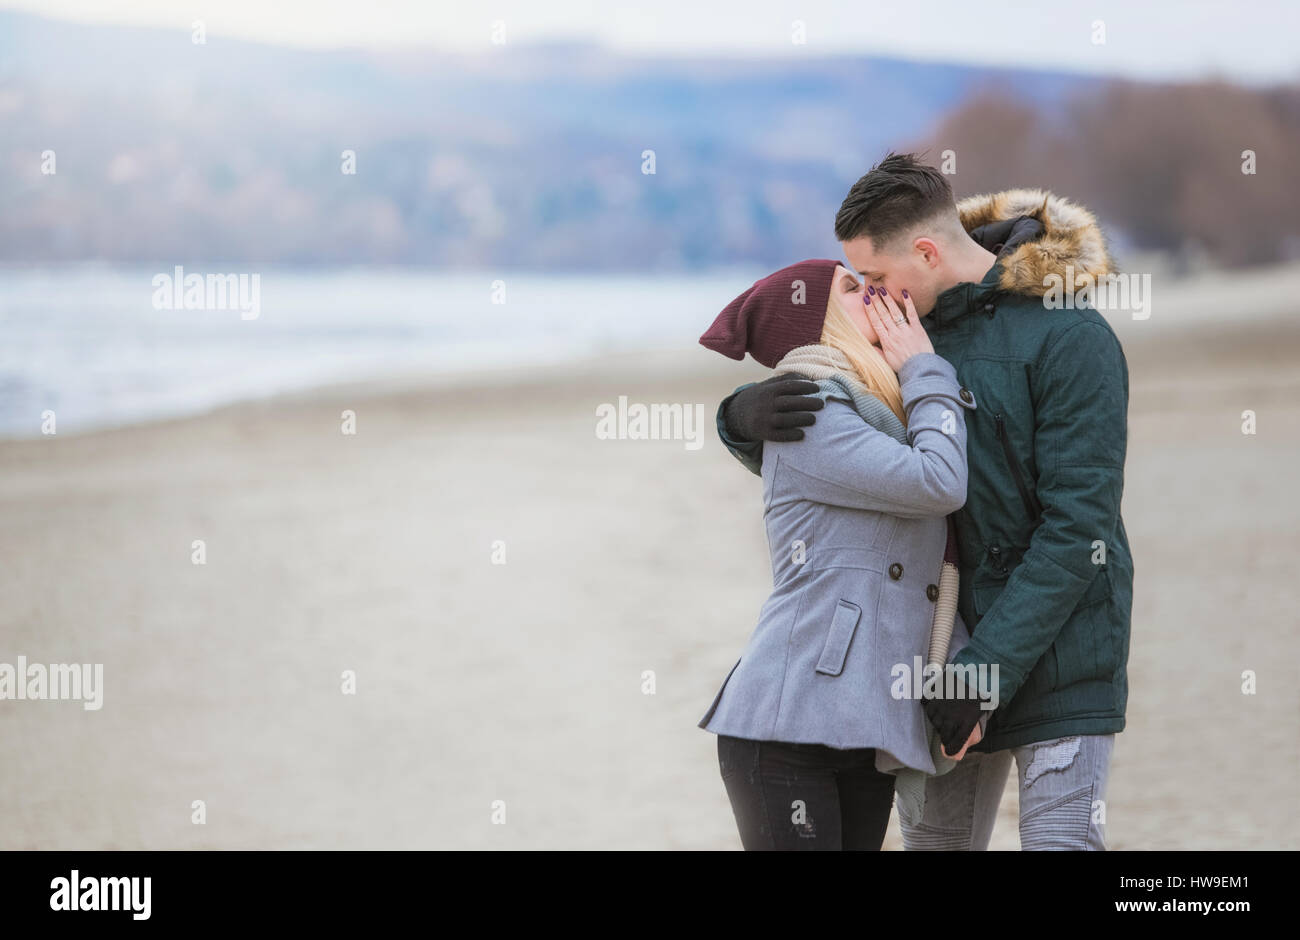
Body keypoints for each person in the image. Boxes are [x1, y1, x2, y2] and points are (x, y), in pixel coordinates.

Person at [716, 154, 1132, 851]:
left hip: (1062, 654)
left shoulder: (1071, 337)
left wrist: (989, 668)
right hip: (937, 658)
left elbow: (1077, 529)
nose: (871, 297)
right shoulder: (903, 330)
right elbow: (838, 451)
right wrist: (742, 416)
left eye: (874, 278)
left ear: (929, 250)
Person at [696, 257, 982, 850]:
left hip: (867, 725)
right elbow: (940, 483)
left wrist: (955, 670)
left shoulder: (884, 415)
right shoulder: (814, 412)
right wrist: (929, 370)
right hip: (788, 727)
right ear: (819, 326)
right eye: (853, 289)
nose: (874, 293)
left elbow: (926, 575)